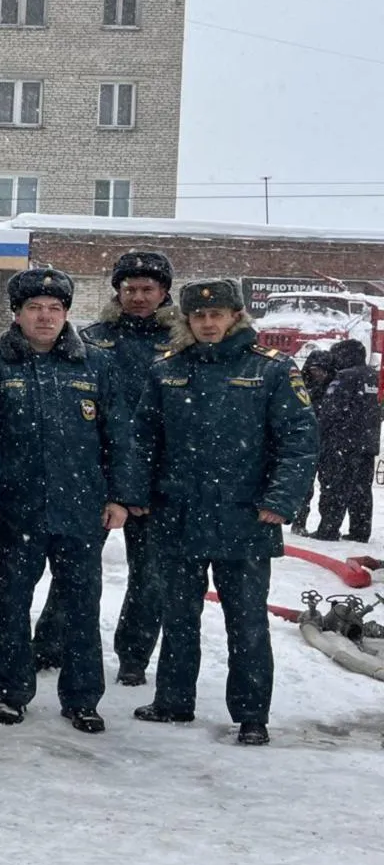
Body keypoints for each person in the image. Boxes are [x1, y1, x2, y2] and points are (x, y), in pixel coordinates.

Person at [132, 279, 316, 745]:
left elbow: (299, 441)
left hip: (246, 518)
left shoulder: (272, 371)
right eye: (199, 316)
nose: (208, 323)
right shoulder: (166, 371)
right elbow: (142, 440)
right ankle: (173, 701)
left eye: (218, 315)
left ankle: (252, 715)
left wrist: (280, 500)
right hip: (178, 514)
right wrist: (137, 494)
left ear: (236, 316)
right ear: (187, 320)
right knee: (177, 615)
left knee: (248, 622)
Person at [0, 268, 141, 733]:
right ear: (17, 313)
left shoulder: (96, 364)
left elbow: (119, 438)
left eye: (54, 309)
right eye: (35, 308)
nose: (45, 317)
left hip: (81, 510)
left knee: (81, 606)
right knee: (11, 604)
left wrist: (120, 498)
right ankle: (11, 692)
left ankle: (82, 697)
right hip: (17, 508)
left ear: (66, 314)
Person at [75, 249, 178, 687]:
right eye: (130, 288)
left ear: (164, 293)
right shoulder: (91, 338)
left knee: (150, 576)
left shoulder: (181, 342)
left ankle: (133, 655)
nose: (138, 296)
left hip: (158, 478)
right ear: (117, 290)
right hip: (94, 474)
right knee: (75, 570)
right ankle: (52, 643)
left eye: (147, 289)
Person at [311, 338, 378, 542]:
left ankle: (328, 529)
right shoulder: (375, 377)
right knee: (362, 489)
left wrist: (318, 434)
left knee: (335, 487)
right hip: (368, 442)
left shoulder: (344, 377)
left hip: (341, 443)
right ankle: (360, 530)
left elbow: (330, 411)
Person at [293, 349, 338, 537]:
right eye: (314, 370)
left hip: (328, 444)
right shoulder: (301, 388)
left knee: (328, 487)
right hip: (308, 443)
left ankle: (327, 526)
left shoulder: (335, 388)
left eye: (321, 370)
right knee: (305, 487)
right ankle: (299, 522)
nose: (317, 374)